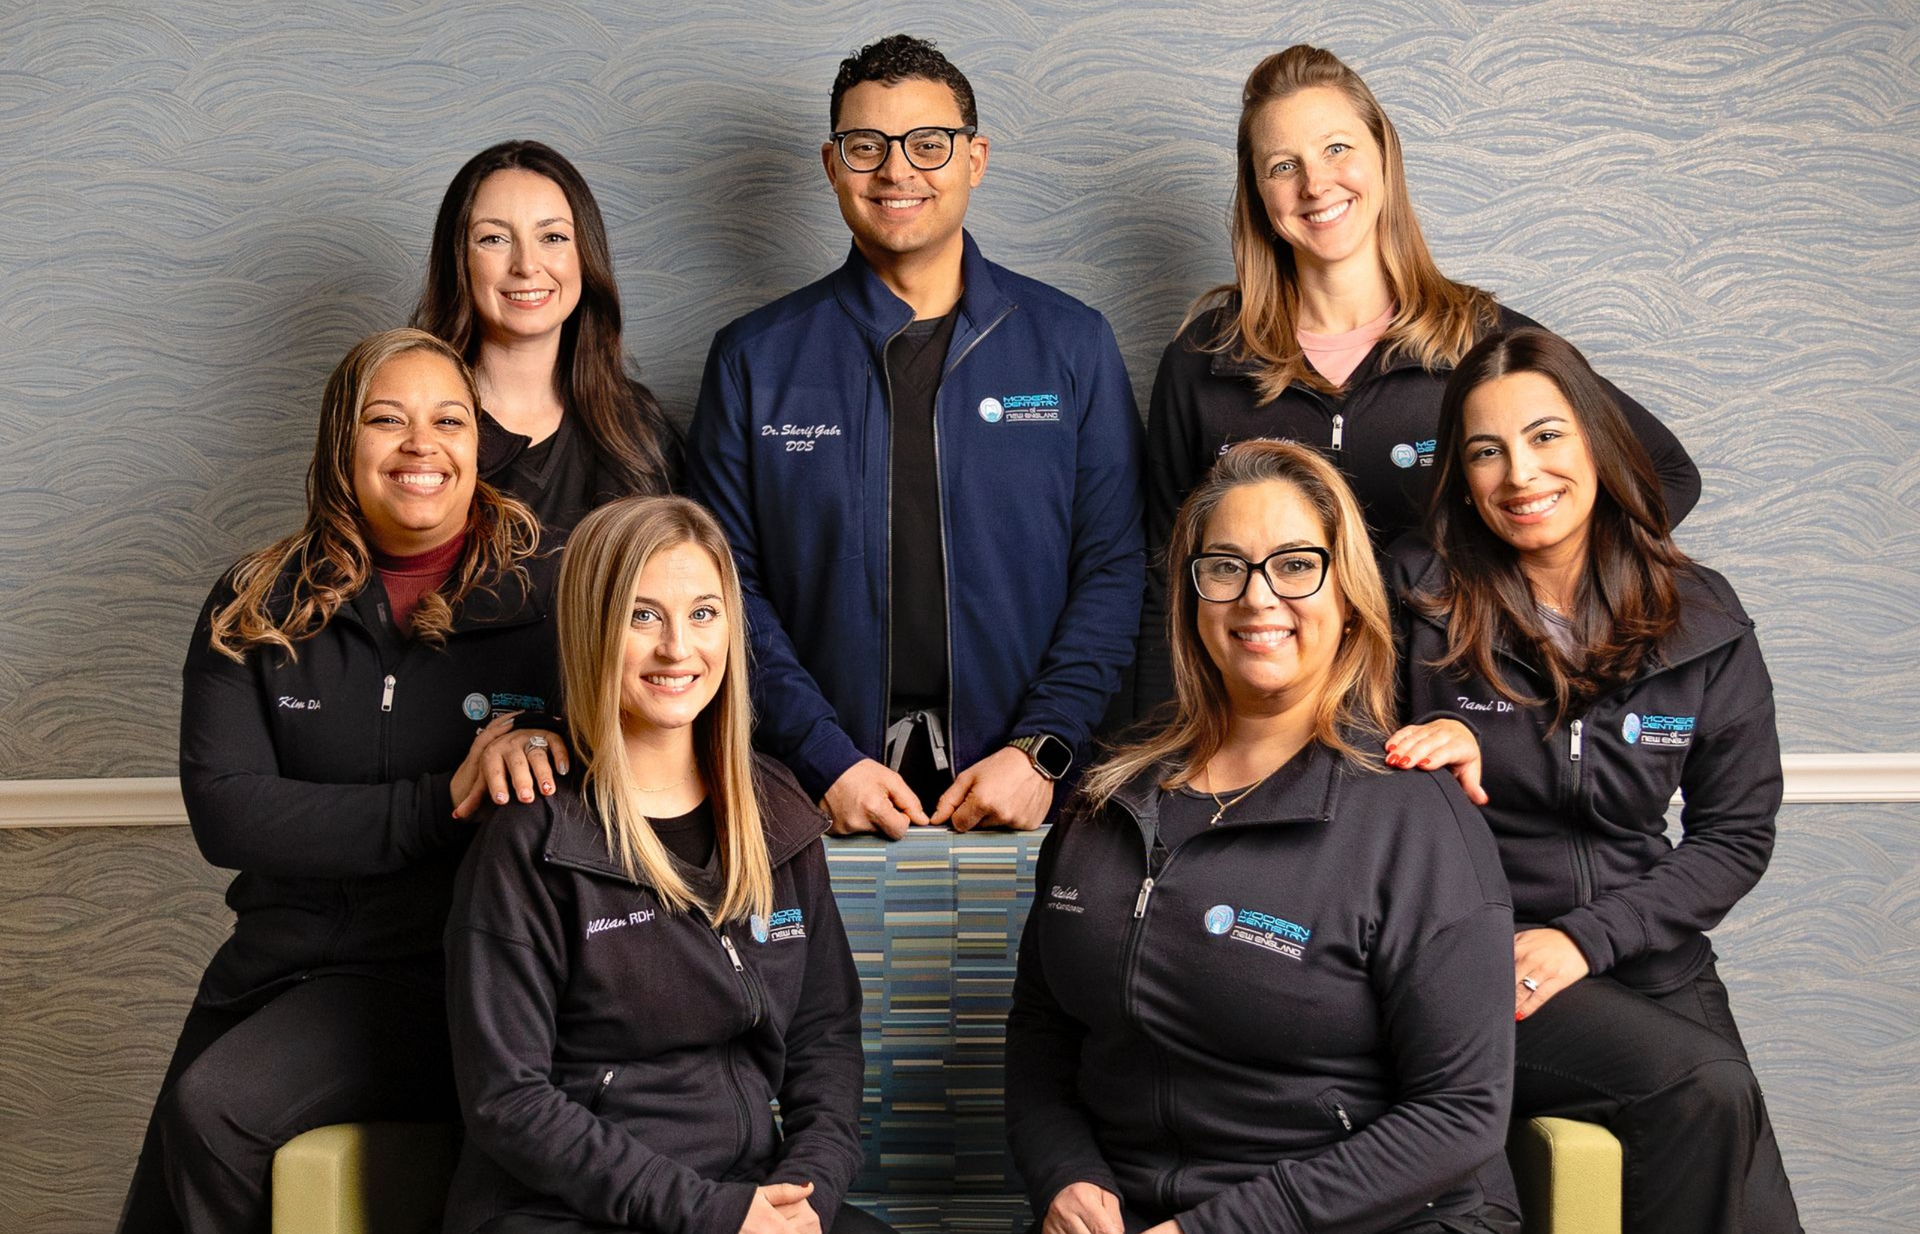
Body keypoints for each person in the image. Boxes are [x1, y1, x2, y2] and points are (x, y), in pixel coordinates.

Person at [959, 441, 1519, 1234]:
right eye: (1226, 566)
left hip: (1387, 1228)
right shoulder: (1104, 805)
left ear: (1345, 594)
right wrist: (1067, 1176)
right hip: (1137, 1199)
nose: (1260, 596)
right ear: (1191, 596)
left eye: (1295, 564)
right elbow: (1042, 1035)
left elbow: (1462, 1115)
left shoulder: (1412, 817)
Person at [101, 329, 558, 1234]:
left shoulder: (545, 606)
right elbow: (230, 813)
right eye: (386, 419)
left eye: (448, 419)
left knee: (219, 1115)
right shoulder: (257, 602)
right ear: (339, 444)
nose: (421, 446)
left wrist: (525, 757)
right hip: (270, 966)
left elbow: (588, 783)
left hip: (433, 979)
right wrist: (438, 800)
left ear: (479, 442)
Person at [439, 496, 974, 1234]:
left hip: (744, 1181)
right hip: (552, 1224)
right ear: (595, 628)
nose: (675, 647)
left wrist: (805, 1194)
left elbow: (825, 1039)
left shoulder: (774, 811)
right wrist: (707, 1216)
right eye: (642, 614)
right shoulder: (535, 833)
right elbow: (508, 1100)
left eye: (701, 613)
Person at [1386, 327, 1805, 1234]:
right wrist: (1429, 762)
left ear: (1599, 442)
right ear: (1459, 480)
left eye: (1545, 435)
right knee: (1701, 1095)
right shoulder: (1418, 605)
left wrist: (1592, 940)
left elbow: (1734, 835)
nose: (1520, 476)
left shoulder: (1699, 616)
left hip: (1638, 959)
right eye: (1485, 452)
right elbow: (1332, 781)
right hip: (1480, 958)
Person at [1133, 44, 1702, 713]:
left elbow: (1664, 475)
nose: (1315, 184)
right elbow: (1162, 579)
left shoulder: (1485, 342)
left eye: (1337, 148)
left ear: (1383, 156)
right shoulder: (1202, 360)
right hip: (1262, 721)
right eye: (1283, 166)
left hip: (1447, 719)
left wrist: (1517, 583)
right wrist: (1159, 749)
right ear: (1259, 192)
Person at [686, 34, 1144, 838]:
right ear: (832, 166)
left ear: (975, 158)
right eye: (867, 146)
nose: (897, 171)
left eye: (928, 144)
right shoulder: (755, 358)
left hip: (1028, 790)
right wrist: (824, 758)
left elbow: (1114, 567)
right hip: (812, 792)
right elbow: (723, 587)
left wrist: (1042, 750)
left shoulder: (1071, 343)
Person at [415, 140, 680, 533]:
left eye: (553, 237)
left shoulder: (640, 427)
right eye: (494, 239)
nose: (526, 265)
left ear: (585, 255)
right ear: (458, 260)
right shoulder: (412, 429)